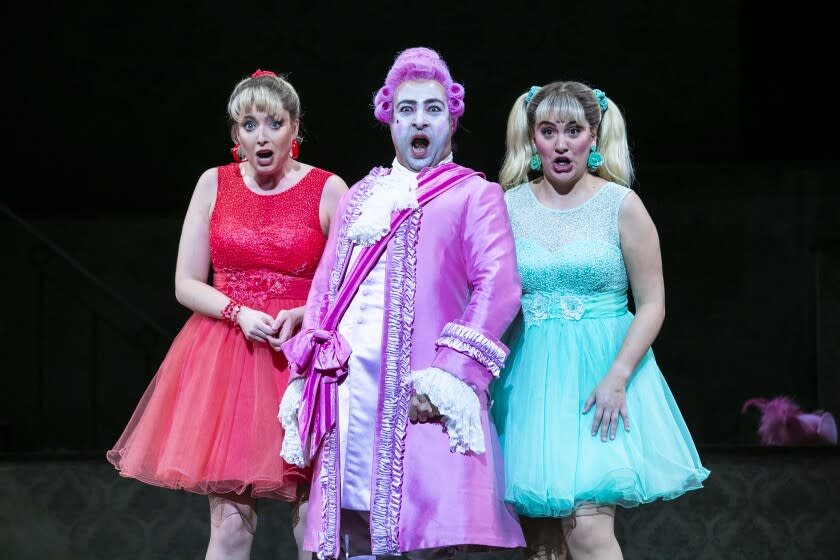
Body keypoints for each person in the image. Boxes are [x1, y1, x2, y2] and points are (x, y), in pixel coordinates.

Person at [277, 47, 525, 559]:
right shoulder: (362, 195)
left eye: (433, 109)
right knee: (349, 533)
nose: (419, 120)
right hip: (348, 396)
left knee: (423, 535)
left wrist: (448, 375)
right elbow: (327, 286)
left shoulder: (474, 195)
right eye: (407, 109)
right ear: (388, 119)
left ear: (452, 121)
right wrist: (306, 373)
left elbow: (498, 287)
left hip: (418, 395)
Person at [106, 69, 348, 560]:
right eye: (249, 124)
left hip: (302, 361)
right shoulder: (213, 183)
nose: (262, 135)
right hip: (229, 361)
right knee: (231, 527)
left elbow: (350, 286)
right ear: (235, 134)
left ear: (295, 128)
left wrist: (305, 312)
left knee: (313, 524)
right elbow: (185, 283)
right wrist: (238, 312)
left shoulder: (328, 189)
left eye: (275, 123)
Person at [491, 81, 710, 560]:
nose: (562, 142)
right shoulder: (506, 207)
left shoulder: (621, 205)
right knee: (541, 544)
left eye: (574, 130)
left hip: (599, 376)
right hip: (529, 381)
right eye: (548, 131)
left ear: (593, 136)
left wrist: (618, 376)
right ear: (533, 140)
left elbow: (652, 303)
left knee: (587, 530)